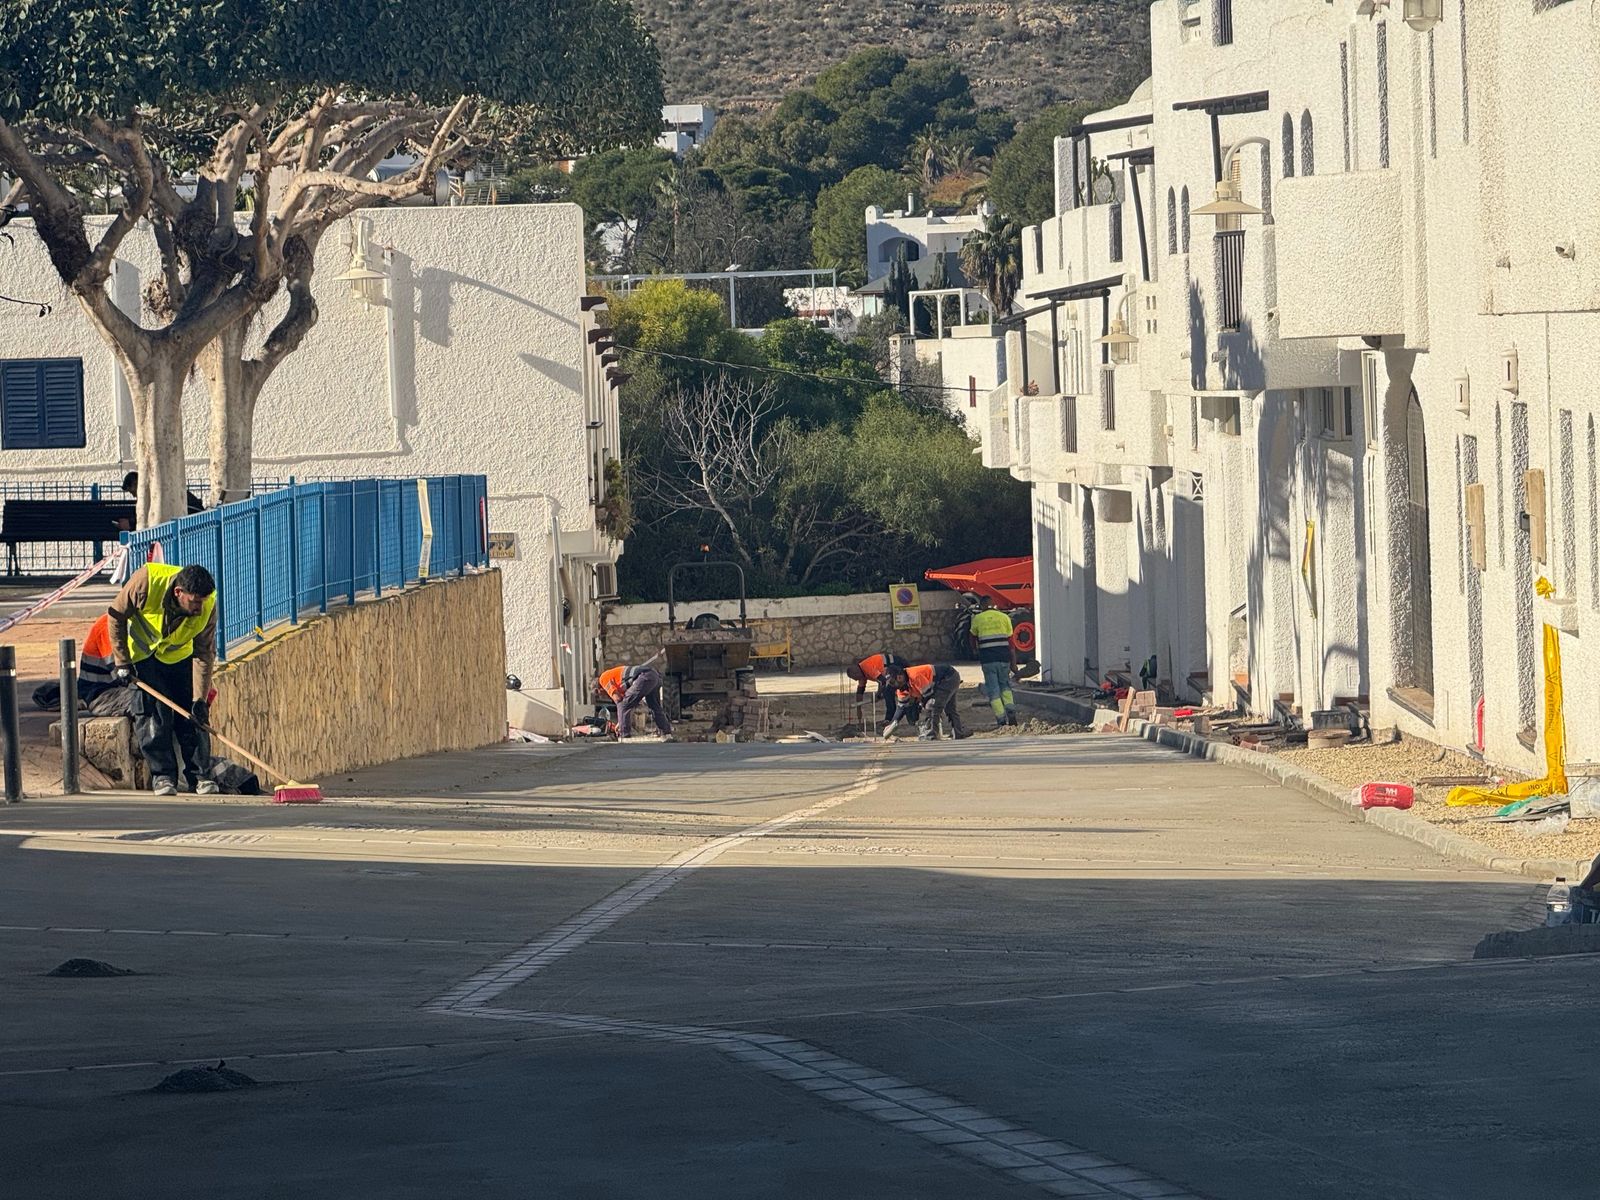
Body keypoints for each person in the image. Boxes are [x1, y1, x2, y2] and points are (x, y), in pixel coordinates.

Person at [108, 562, 218, 796]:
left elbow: (205, 652)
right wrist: (122, 661)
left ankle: (200, 777)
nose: (199, 608)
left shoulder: (208, 604)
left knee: (193, 716)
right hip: (144, 658)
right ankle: (163, 776)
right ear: (179, 592)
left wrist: (200, 698)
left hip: (180, 658)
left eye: (203, 601)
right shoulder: (146, 582)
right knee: (152, 716)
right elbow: (116, 615)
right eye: (195, 602)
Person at [883, 662, 972, 742]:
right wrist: (892, 724)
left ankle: (931, 734)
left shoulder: (915, 676)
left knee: (932, 705)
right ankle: (958, 732)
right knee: (949, 708)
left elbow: (928, 696)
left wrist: (921, 706)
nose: (893, 686)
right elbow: (901, 708)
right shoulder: (901, 688)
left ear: (900, 677)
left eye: (892, 682)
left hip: (948, 677)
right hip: (940, 683)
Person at [967, 595, 1019, 727]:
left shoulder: (978, 619)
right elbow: (1011, 644)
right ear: (993, 604)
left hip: (988, 660)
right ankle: (1011, 711)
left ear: (982, 606)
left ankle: (1001, 719)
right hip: (1004, 659)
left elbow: (972, 638)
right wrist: (1013, 663)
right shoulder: (1004, 617)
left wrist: (975, 651)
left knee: (993, 689)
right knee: (1005, 686)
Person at [596, 658, 673, 739]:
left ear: (599, 689)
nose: (602, 696)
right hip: (654, 675)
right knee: (654, 706)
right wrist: (620, 722)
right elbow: (630, 703)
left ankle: (624, 736)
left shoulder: (602, 679)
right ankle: (666, 734)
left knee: (622, 705)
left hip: (644, 676)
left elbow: (618, 700)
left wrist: (621, 724)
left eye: (599, 694)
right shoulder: (617, 683)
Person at [844, 650, 909, 725]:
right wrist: (859, 709)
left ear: (857, 673)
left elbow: (882, 681)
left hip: (897, 664)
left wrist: (877, 695)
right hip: (889, 669)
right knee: (888, 690)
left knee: (887, 691)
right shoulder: (861, 674)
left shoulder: (867, 667)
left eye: (855, 678)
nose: (856, 680)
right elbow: (860, 692)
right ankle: (890, 718)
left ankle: (889, 719)